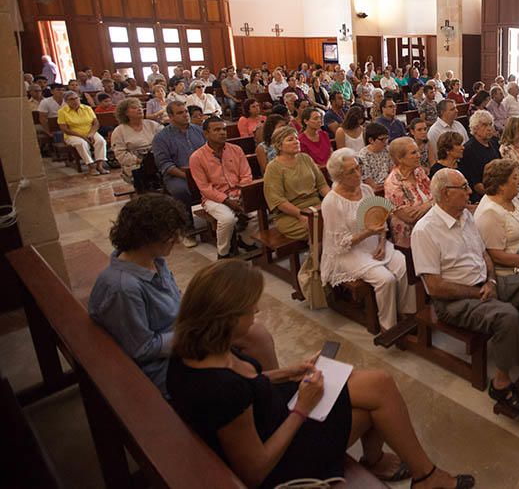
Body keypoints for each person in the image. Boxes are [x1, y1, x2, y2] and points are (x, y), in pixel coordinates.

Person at [167, 258, 472, 488]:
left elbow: (248, 383)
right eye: (250, 308)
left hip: (270, 411)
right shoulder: (222, 391)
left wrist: (289, 372)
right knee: (376, 408)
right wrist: (302, 407)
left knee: (378, 383)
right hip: (281, 454)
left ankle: (413, 471)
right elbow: (255, 469)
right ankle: (423, 475)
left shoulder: (197, 346)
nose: (257, 311)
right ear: (227, 317)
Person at [89, 194, 276, 397]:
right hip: (165, 365)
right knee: (238, 368)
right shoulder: (123, 287)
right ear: (146, 237)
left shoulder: (155, 261)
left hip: (183, 337)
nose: (177, 240)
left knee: (256, 333)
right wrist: (196, 334)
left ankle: (272, 392)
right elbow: (142, 349)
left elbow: (176, 303)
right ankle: (262, 398)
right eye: (170, 235)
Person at [411, 168, 519, 416]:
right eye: (463, 187)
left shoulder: (466, 216)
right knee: (507, 315)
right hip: (453, 301)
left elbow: (484, 255)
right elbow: (434, 286)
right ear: (446, 193)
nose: (469, 191)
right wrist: (476, 293)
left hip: (484, 284)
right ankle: (501, 383)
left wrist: (491, 282)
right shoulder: (425, 230)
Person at [323, 149, 413, 332]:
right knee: (385, 279)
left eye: (358, 168)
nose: (358, 174)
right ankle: (388, 325)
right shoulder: (332, 202)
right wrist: (367, 232)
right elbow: (339, 243)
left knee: (404, 264)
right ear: (339, 176)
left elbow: (379, 220)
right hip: (349, 253)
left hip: (374, 243)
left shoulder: (366, 189)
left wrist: (381, 242)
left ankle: (406, 312)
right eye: (351, 171)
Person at [263, 125, 331, 307]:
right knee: (321, 232)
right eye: (290, 139)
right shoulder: (274, 168)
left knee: (338, 224)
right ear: (279, 145)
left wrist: (333, 201)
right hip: (291, 214)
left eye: (296, 138)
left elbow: (322, 185)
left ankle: (335, 273)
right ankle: (317, 277)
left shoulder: (305, 159)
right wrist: (301, 214)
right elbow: (277, 200)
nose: (296, 141)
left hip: (316, 207)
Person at [189, 117, 256, 259]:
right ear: (206, 134)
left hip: (239, 193)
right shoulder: (197, 157)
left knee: (257, 213)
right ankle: (223, 252)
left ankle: (246, 240)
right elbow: (205, 188)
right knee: (227, 219)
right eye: (217, 130)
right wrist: (227, 200)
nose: (222, 133)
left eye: (224, 129)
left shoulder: (236, 150)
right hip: (214, 198)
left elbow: (246, 175)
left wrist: (239, 195)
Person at [152, 101, 207, 246]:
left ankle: (222, 219)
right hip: (177, 175)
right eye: (180, 113)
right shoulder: (161, 137)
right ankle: (186, 229)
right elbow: (165, 164)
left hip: (203, 171)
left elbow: (209, 151)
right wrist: (188, 176)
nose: (185, 115)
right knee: (182, 191)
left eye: (186, 112)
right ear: (170, 116)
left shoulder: (198, 130)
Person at [383, 138, 434, 248]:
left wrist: (427, 205)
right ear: (400, 158)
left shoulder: (418, 171)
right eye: (413, 153)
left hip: (431, 227)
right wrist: (432, 203)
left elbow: (437, 196)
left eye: (418, 151)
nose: (419, 155)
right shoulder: (393, 183)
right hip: (411, 238)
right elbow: (410, 218)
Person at [110, 97, 163, 184]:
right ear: (126, 113)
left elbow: (164, 142)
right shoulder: (119, 131)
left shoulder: (153, 125)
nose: (139, 109)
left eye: (140, 107)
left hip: (157, 160)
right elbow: (120, 154)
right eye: (134, 108)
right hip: (135, 164)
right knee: (143, 174)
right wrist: (140, 161)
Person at [58, 91, 109, 176]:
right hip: (73, 134)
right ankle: (91, 166)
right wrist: (82, 136)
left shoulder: (87, 108)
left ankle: (100, 165)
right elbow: (64, 128)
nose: (75, 101)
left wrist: (91, 134)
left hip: (89, 131)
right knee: (81, 143)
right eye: (71, 99)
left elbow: (96, 123)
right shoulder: (62, 112)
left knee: (101, 141)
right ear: (66, 101)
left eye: (76, 98)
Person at [459, 110, 501, 203]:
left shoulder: (494, 142)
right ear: (475, 128)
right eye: (485, 125)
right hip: (484, 196)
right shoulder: (468, 150)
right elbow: (477, 185)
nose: (489, 128)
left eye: (490, 124)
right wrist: (498, 196)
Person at [357, 122, 392, 188]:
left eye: (387, 138)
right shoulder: (363, 156)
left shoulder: (388, 150)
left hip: (389, 184)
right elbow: (368, 181)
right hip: (375, 189)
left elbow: (392, 171)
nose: (386, 142)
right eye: (382, 140)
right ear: (371, 140)